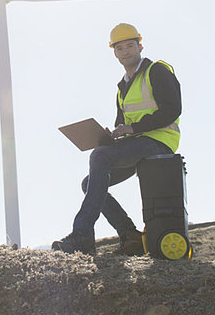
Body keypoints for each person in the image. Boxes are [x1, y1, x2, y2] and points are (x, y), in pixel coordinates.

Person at [52, 23, 181, 256]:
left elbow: (172, 109)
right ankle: (129, 235)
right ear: (114, 53)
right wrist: (109, 137)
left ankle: (82, 235)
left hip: (159, 142)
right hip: (136, 146)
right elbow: (123, 127)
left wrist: (132, 128)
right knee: (88, 182)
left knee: (100, 156)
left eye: (130, 46)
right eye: (120, 48)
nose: (126, 52)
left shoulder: (157, 71)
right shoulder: (122, 88)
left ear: (140, 46)